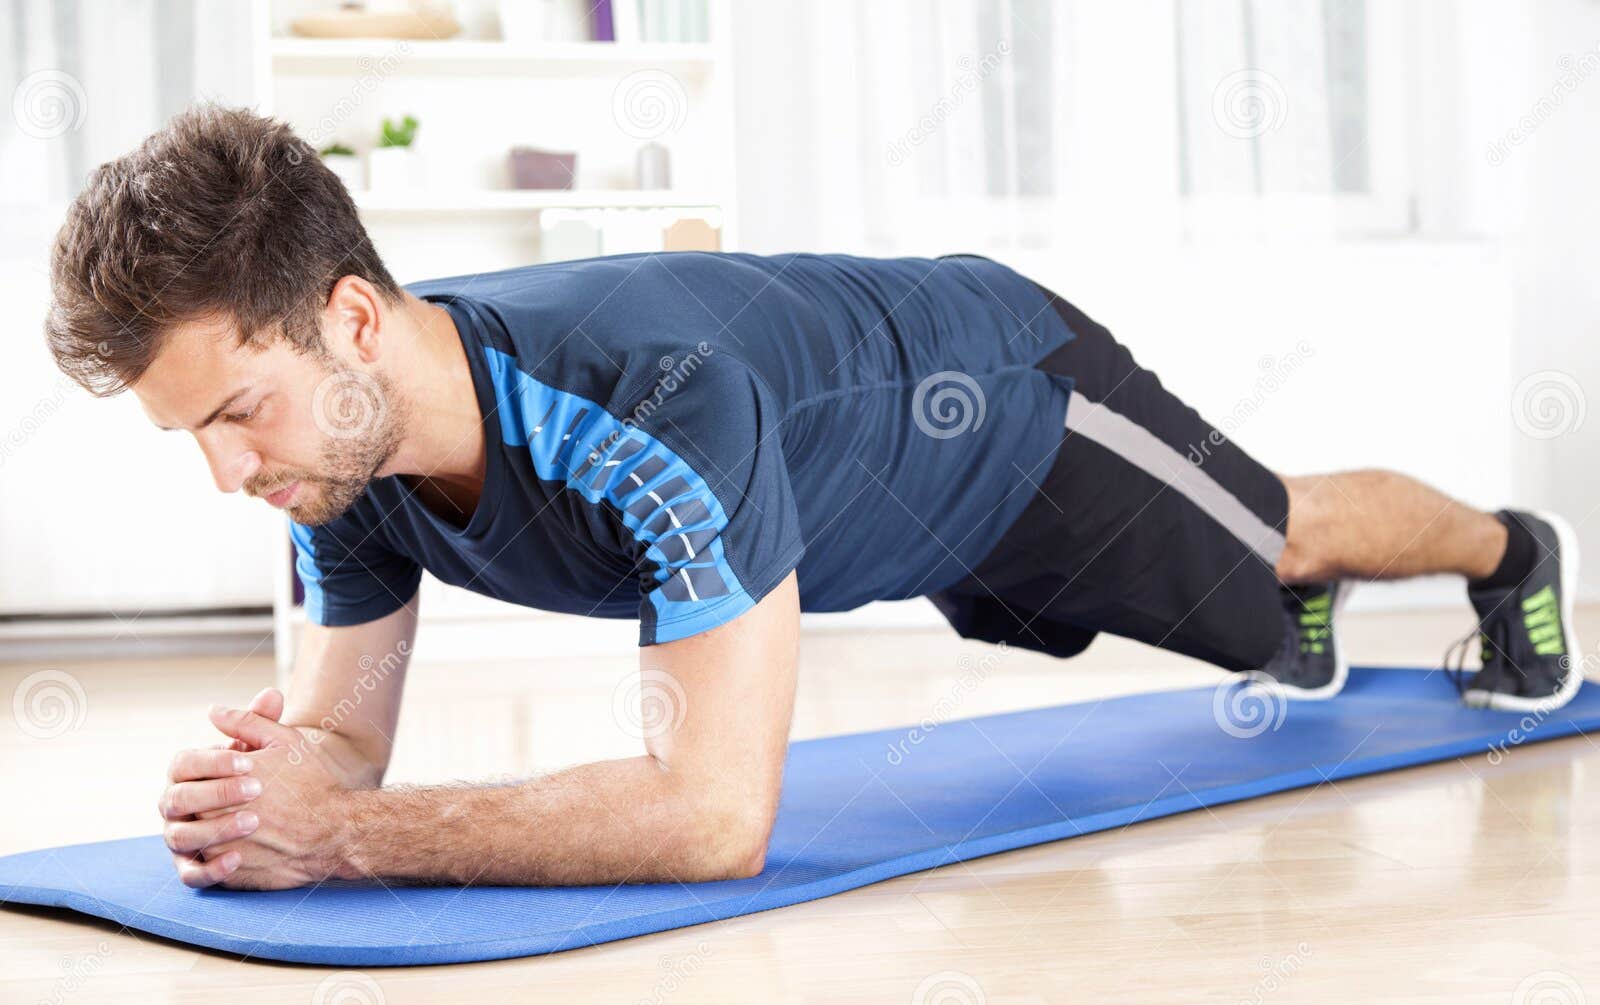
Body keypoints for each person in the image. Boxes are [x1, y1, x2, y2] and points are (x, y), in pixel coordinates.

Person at [44, 106, 1580, 891]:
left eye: (237, 413)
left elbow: (717, 817)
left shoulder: (645, 402)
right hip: (896, 524)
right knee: (1253, 628)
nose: (232, 475)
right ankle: (1279, 620)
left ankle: (1513, 550)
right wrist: (273, 788)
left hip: (1013, 413)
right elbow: (339, 735)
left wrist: (354, 838)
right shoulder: (344, 457)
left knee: (1273, 531)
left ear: (355, 320)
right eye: (195, 435)